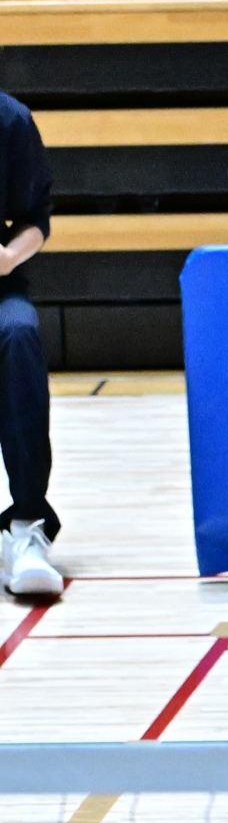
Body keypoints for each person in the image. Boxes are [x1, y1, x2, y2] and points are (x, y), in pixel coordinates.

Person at [0, 94, 60, 600]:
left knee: (18, 333)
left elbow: (35, 220)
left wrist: (7, 258)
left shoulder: (9, 120)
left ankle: (26, 526)